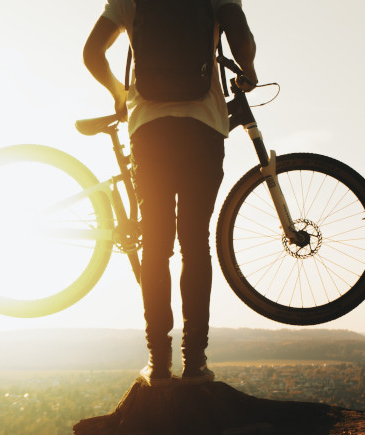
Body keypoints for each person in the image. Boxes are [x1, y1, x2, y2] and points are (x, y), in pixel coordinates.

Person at [83, 0, 257, 386]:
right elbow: (240, 35)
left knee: (157, 244)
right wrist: (249, 69)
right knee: (195, 243)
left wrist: (120, 93)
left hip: (149, 129)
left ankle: (158, 364)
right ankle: (195, 363)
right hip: (205, 127)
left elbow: (92, 52)